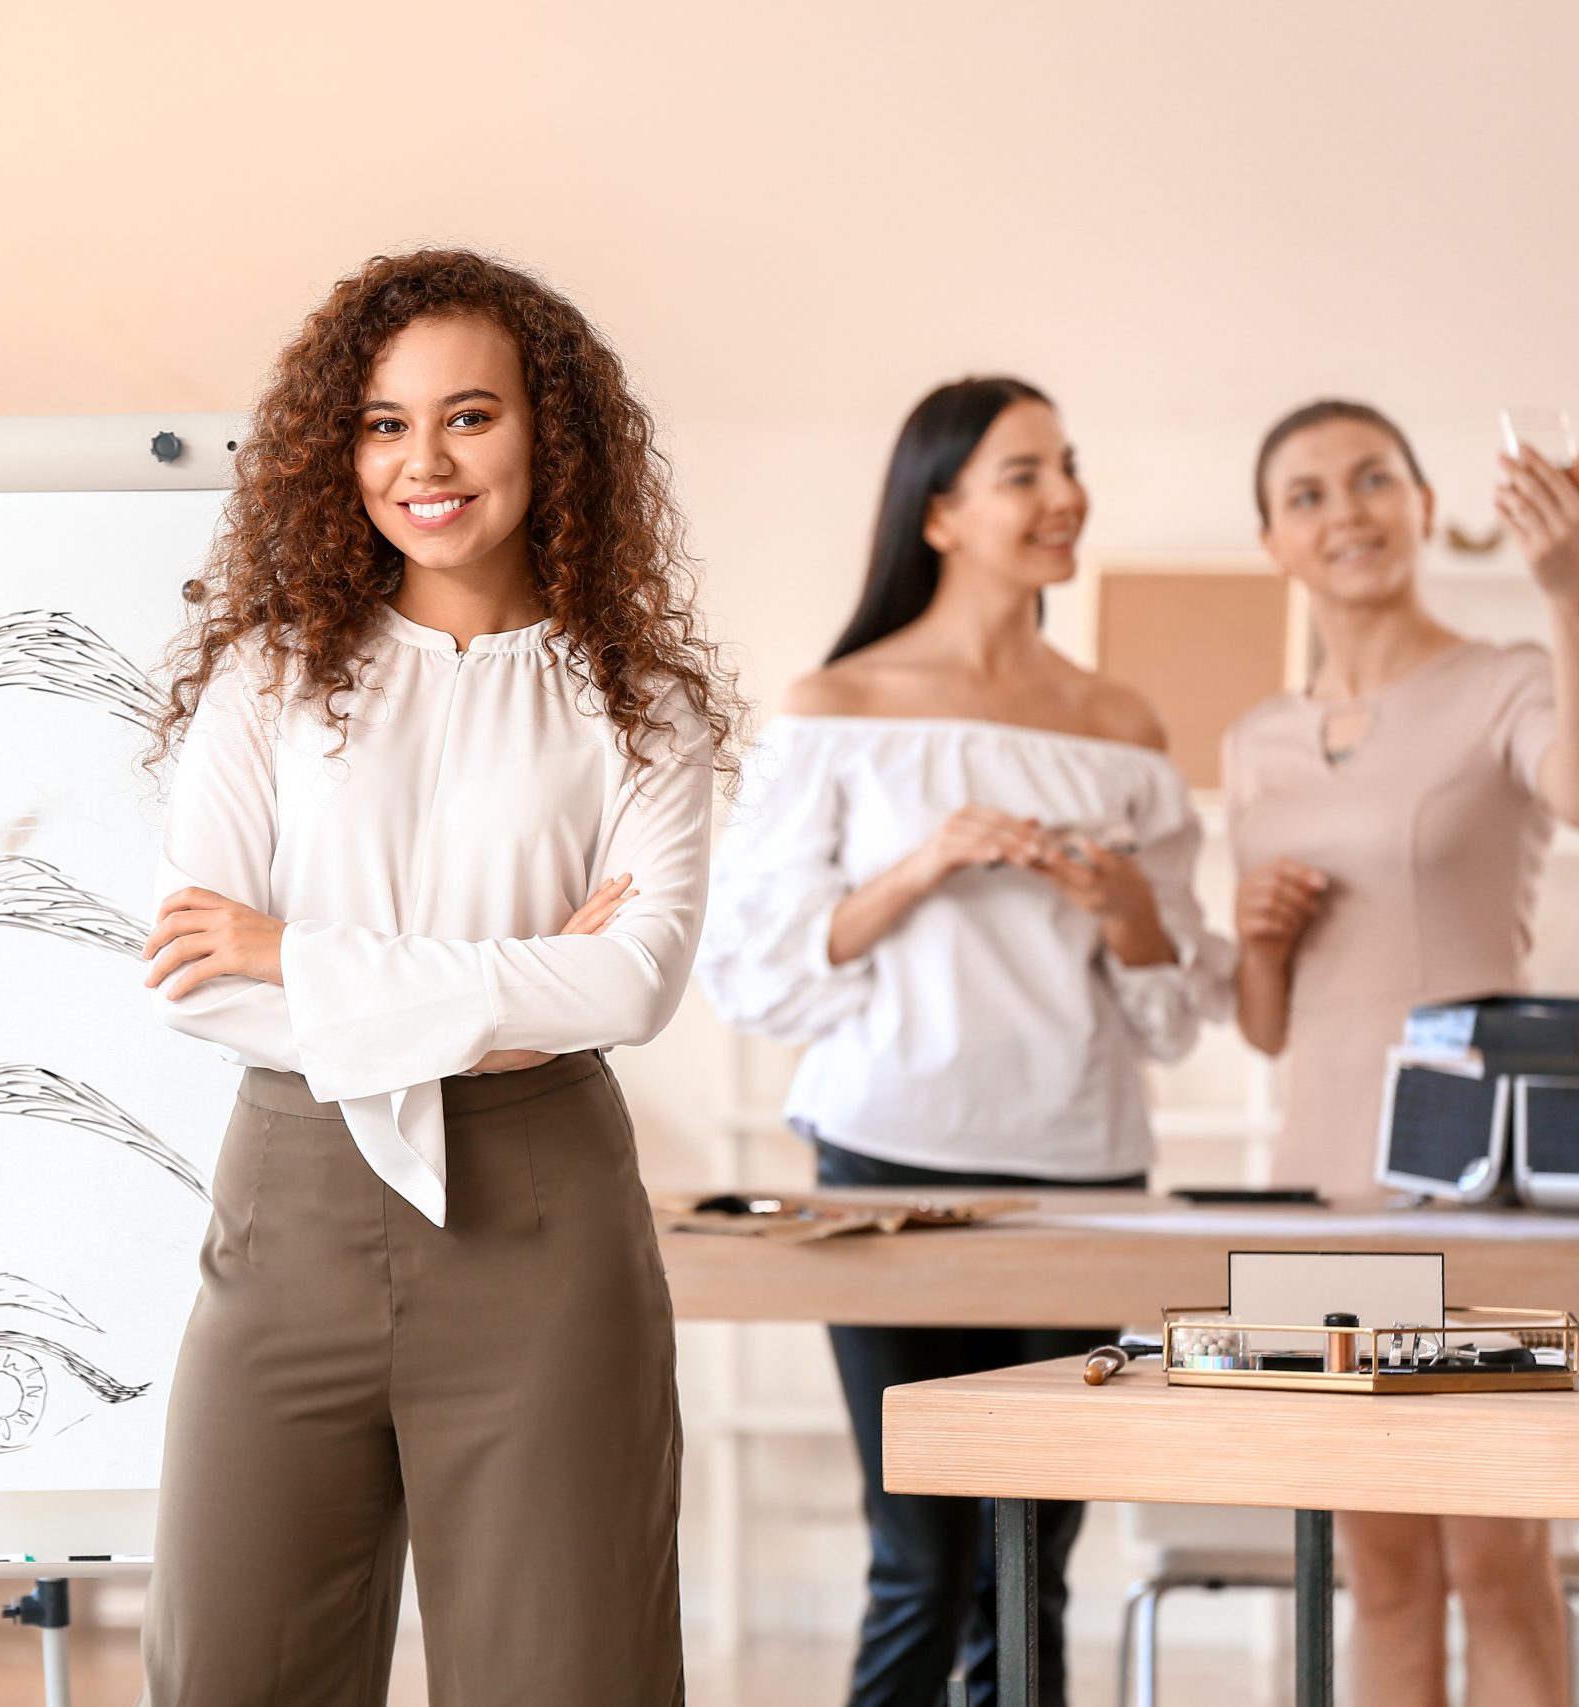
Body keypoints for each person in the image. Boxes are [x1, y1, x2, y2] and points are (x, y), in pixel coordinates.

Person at [137, 248, 737, 1705]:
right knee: (228, 1670)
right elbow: (200, 979)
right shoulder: (268, 676)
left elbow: (633, 987)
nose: (426, 461)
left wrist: (299, 951)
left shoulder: (637, 703)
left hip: (543, 1226)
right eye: (383, 423)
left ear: (550, 434)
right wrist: (515, 981)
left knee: (568, 1674)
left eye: (469, 415)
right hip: (289, 1201)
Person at [696, 378, 1232, 1707]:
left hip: (1083, 1175)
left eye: (1071, 466)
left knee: (1030, 1563)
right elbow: (753, 966)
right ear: (939, 511)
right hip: (885, 1173)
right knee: (925, 1557)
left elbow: (1170, 1004)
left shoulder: (1121, 727)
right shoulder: (839, 704)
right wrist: (922, 865)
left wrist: (1128, 910)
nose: (1067, 498)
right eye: (1025, 472)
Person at [1226, 399, 1579, 1707]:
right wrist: (1262, 940)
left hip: (1473, 1184)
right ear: (1273, 538)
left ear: (1417, 501)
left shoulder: (1505, 672)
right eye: (1308, 493)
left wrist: (1569, 585)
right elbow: (1267, 1021)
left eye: (1373, 479)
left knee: (1498, 1557)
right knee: (1379, 1566)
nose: (1346, 510)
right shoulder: (1253, 742)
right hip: (1315, 1184)